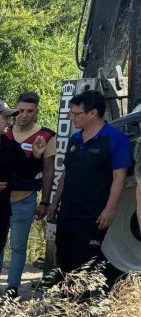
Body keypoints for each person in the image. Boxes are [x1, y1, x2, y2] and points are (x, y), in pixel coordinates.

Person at [0, 101, 47, 314]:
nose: (9, 121)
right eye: (5, 117)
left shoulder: (10, 146)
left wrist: (36, 155)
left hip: (0, 210)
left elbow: (27, 172)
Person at [47, 90, 131, 276]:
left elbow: (120, 177)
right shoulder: (74, 139)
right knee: (64, 259)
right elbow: (66, 173)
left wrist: (110, 208)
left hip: (94, 213)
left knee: (87, 261)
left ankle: (85, 302)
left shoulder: (115, 139)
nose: (71, 118)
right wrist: (54, 203)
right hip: (68, 211)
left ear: (93, 113)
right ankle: (64, 301)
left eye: (76, 114)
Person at [0, 92, 56, 298]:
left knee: (18, 246)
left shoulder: (46, 136)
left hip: (25, 197)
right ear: (14, 110)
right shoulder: (3, 132)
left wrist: (45, 201)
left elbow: (49, 171)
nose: (24, 115)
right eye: (20, 110)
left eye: (29, 111)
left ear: (36, 111)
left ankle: (12, 287)